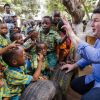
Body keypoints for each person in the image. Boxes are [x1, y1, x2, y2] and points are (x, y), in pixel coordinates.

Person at [61, 7, 100, 100]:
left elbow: (95, 56)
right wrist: (74, 65)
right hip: (95, 78)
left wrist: (71, 33)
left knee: (86, 98)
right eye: (91, 21)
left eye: (96, 20)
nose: (91, 25)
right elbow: (89, 56)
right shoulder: (98, 40)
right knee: (74, 84)